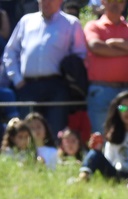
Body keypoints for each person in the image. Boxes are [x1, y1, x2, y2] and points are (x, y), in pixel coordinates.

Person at [2, 0, 87, 134]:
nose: (46, 3)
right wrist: (16, 79)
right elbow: (11, 51)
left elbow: (80, 55)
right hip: (28, 86)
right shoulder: (26, 21)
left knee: (56, 132)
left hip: (58, 87)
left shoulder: (71, 23)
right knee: (28, 133)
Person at [83, 0, 128, 134]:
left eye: (119, 1)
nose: (115, 3)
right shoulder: (93, 26)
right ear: (103, 2)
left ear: (124, 4)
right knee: (100, 135)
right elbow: (95, 46)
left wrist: (114, 43)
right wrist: (126, 50)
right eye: (110, 0)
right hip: (101, 91)